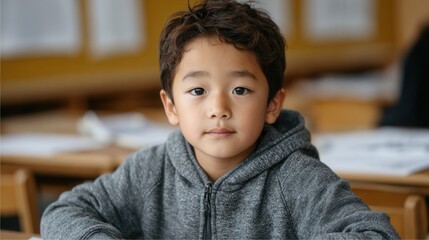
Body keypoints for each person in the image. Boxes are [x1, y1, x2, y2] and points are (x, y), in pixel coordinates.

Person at [41, 0, 399, 239]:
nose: (219, 108)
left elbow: (375, 234)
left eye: (241, 90)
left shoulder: (296, 179)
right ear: (171, 107)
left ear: (273, 105)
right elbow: (64, 211)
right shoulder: (151, 172)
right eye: (198, 92)